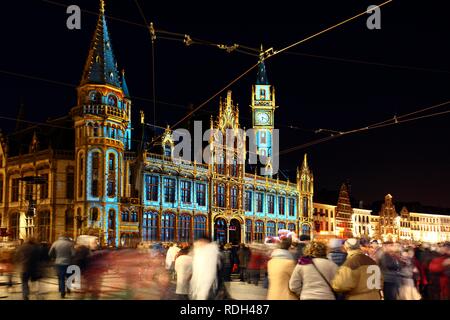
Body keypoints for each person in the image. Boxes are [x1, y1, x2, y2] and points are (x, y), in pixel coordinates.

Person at [48, 233, 75, 298]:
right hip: (68, 263)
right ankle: (68, 288)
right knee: (68, 276)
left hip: (59, 263)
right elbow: (73, 254)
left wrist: (54, 257)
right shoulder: (70, 244)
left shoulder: (55, 243)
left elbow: (50, 253)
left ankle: (62, 291)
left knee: (61, 277)